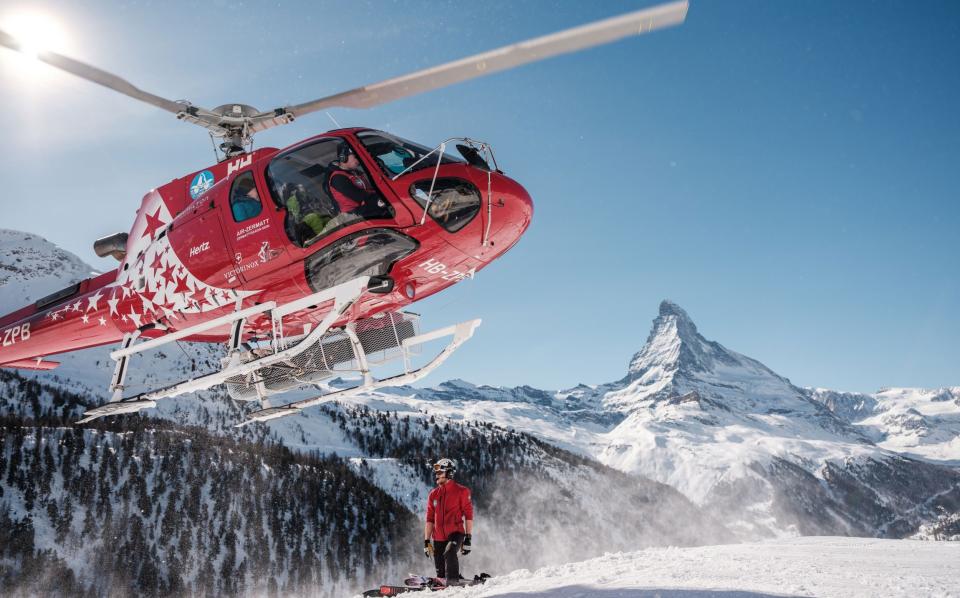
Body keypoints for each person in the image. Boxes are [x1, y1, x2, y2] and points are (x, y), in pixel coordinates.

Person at [423, 457, 473, 585]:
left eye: (440, 472)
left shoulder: (461, 491)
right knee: (441, 575)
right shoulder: (433, 494)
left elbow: (468, 515)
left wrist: (468, 538)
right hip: (438, 538)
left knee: (450, 552)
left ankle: (453, 581)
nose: (437, 475)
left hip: (456, 533)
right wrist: (427, 541)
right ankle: (446, 582)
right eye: (436, 473)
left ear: (449, 473)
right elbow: (429, 519)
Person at [328, 142, 391, 219]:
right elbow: (359, 196)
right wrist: (382, 198)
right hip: (356, 215)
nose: (358, 159)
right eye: (355, 156)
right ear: (343, 157)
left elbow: (369, 190)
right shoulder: (338, 178)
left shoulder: (355, 173)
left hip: (367, 207)